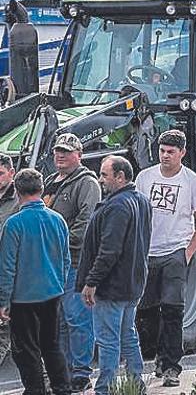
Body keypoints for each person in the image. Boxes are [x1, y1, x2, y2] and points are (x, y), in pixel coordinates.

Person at [135, 129, 196, 387]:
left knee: (173, 308)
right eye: (162, 151)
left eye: (170, 152)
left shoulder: (192, 182)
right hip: (148, 252)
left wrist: (187, 253)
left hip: (176, 252)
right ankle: (157, 355)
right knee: (147, 309)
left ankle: (171, 366)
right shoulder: (145, 178)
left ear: (182, 153)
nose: (165, 156)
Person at [78, 156, 152, 395]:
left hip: (113, 286)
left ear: (120, 176)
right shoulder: (140, 200)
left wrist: (91, 282)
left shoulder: (118, 206)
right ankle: (135, 384)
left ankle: (105, 389)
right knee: (127, 335)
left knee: (108, 340)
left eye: (104, 175)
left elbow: (109, 250)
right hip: (132, 283)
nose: (101, 180)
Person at [0, 169, 72, 395]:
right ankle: (62, 389)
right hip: (52, 294)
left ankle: (35, 390)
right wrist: (58, 285)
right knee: (51, 345)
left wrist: (3, 301)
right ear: (41, 189)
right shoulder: (58, 219)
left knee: (26, 350)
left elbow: (7, 266)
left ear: (18, 191)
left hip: (23, 299)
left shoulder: (14, 224)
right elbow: (66, 259)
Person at [43, 133, 101, 391]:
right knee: (59, 321)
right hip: (50, 263)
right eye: (57, 151)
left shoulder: (87, 183)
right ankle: (62, 369)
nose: (60, 155)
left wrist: (54, 242)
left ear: (79, 154)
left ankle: (81, 372)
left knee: (78, 318)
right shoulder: (49, 181)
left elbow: (86, 223)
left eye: (66, 151)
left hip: (74, 261)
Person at [0, 154, 16, 365]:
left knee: (10, 334)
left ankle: (49, 383)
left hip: (10, 276)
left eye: (0, 173)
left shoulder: (20, 201)